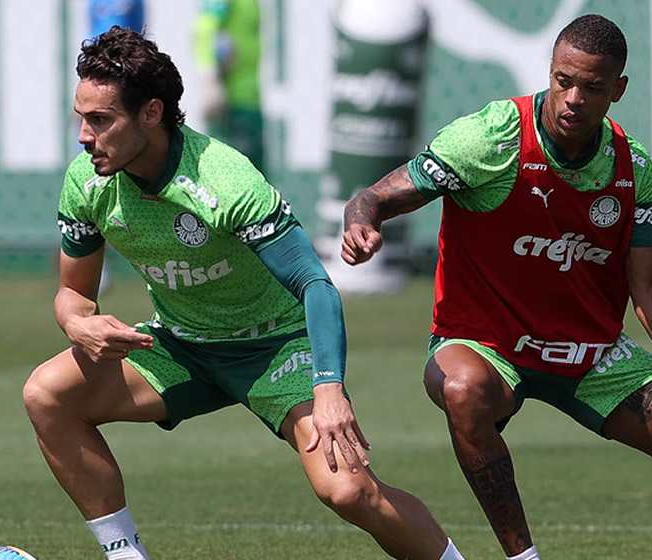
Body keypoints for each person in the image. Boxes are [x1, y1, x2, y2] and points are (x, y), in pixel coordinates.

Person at [23, 26, 466, 560]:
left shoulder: (224, 180)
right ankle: (125, 555)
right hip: (180, 346)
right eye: (81, 117)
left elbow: (316, 286)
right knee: (46, 395)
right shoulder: (88, 183)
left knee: (349, 491)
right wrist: (78, 324)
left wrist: (329, 389)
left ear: (151, 113)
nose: (84, 136)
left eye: (100, 120)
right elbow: (73, 295)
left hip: (276, 346)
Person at [341, 14, 652, 560]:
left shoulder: (631, 168)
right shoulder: (492, 138)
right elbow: (376, 195)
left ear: (618, 90)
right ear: (551, 72)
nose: (574, 98)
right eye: (564, 80)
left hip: (588, 353)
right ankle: (524, 557)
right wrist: (362, 221)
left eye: (592, 87)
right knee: (463, 392)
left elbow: (649, 284)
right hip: (486, 343)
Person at [193, 0, 265, 171]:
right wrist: (210, 83)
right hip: (230, 103)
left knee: (255, 175)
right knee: (230, 175)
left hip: (249, 99)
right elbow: (205, 30)